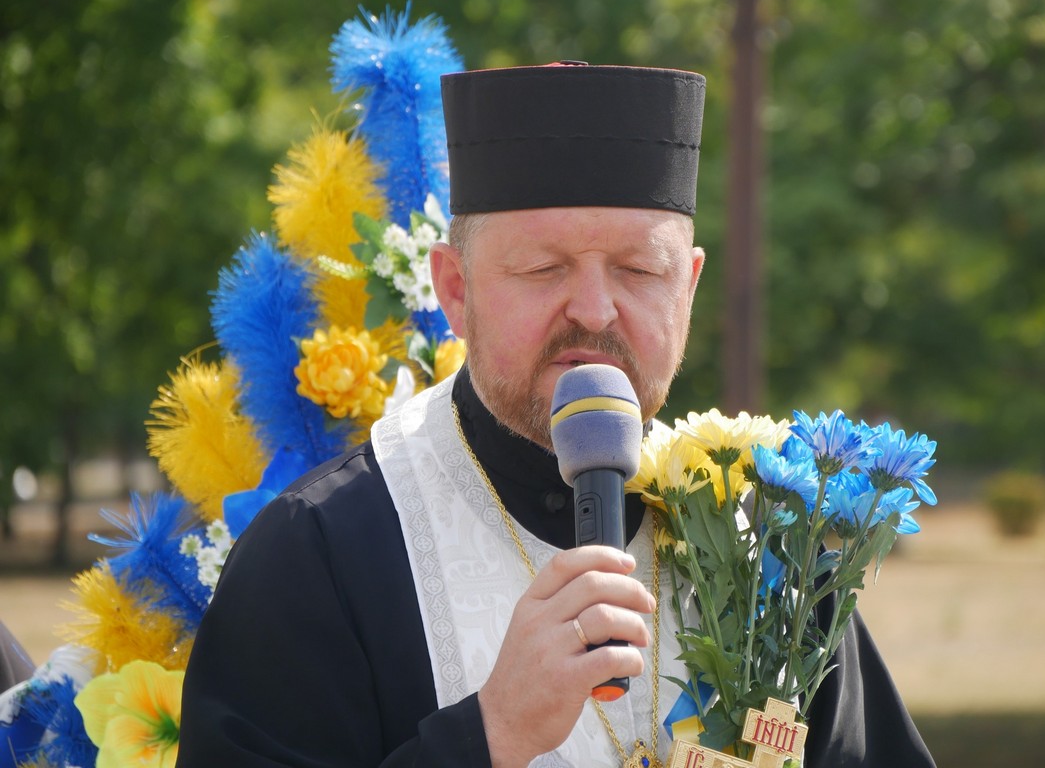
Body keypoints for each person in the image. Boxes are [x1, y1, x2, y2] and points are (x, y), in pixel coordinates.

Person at [177, 62, 934, 768]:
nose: (596, 310)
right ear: (456, 290)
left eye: (641, 271)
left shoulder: (770, 548)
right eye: (543, 270)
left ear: (689, 288)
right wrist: (489, 733)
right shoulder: (318, 554)